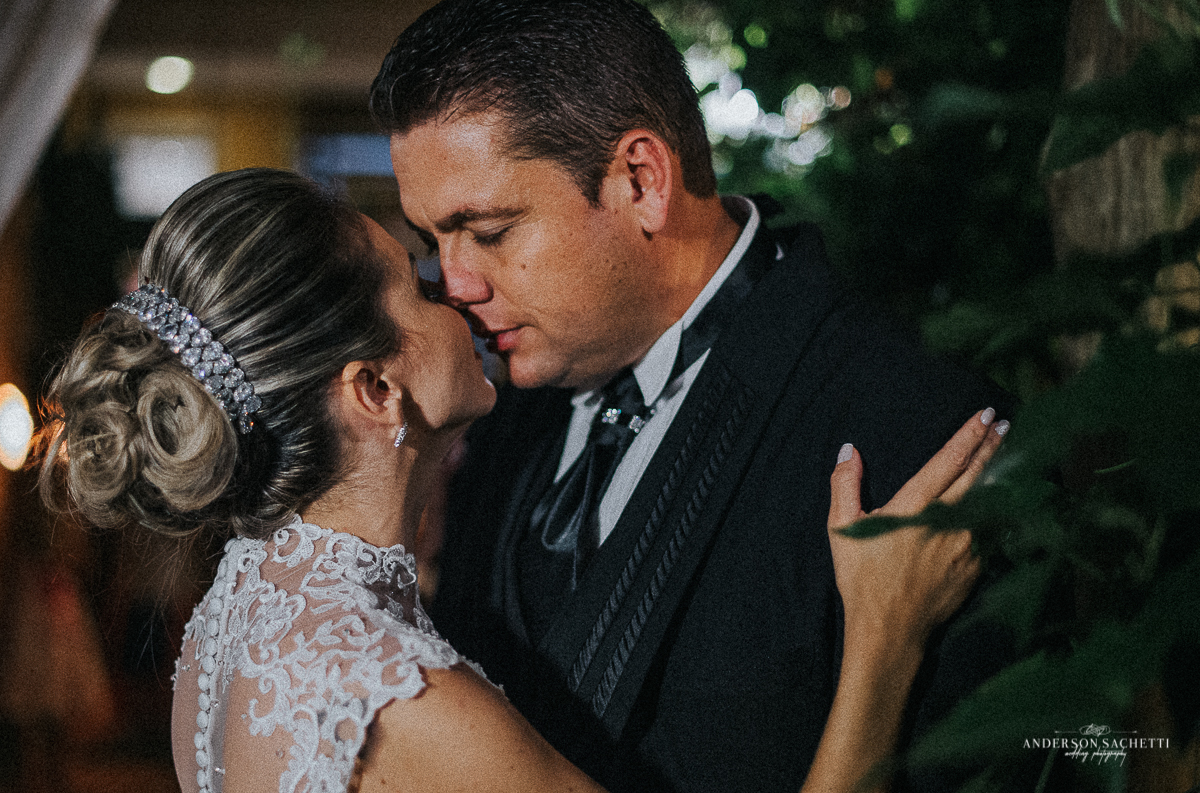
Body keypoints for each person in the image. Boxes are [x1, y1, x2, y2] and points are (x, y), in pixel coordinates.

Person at [37, 167, 1002, 793]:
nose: (457, 288)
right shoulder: (399, 698)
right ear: (377, 390)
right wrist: (884, 635)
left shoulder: (231, 626)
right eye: (416, 283)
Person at [369, 0, 1017, 791]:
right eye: (434, 239)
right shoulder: (500, 414)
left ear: (641, 181)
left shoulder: (911, 425)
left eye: (491, 231)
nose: (457, 282)